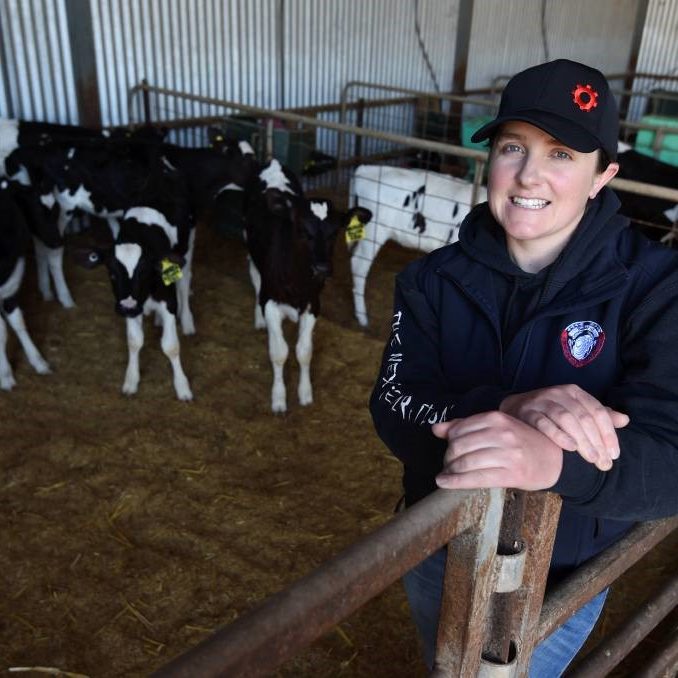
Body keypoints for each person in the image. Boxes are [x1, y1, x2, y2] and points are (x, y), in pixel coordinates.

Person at [369, 58, 678, 676]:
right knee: (446, 663)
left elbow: (670, 455)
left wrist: (552, 463)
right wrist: (503, 409)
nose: (529, 174)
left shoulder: (656, 289)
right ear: (490, 157)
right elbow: (395, 402)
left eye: (562, 154)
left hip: (563, 571)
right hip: (441, 546)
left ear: (603, 176)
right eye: (514, 146)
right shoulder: (432, 280)